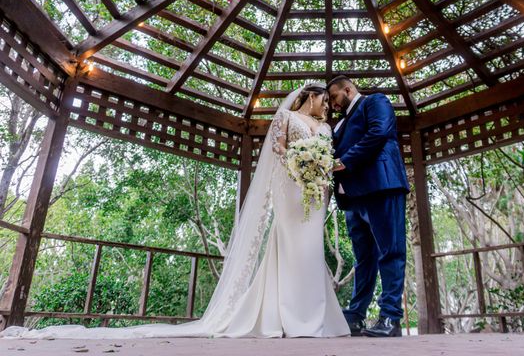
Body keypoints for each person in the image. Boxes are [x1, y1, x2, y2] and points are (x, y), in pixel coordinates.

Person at [1, 83, 350, 339]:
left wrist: (321, 172)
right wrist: (296, 168)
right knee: (290, 248)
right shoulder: (287, 117)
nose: (327, 109)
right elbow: (278, 150)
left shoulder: (327, 128)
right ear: (310, 97)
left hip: (316, 194)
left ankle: (315, 315)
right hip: (290, 190)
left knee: (311, 249)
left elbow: (329, 159)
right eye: (324, 102)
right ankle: (286, 315)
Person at [328, 75, 410, 338]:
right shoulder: (339, 124)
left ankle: (390, 317)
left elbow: (379, 132)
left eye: (333, 97)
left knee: (391, 251)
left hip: (381, 186)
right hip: (353, 198)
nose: (332, 104)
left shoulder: (375, 101)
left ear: (348, 89)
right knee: (364, 259)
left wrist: (342, 162)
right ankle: (356, 315)